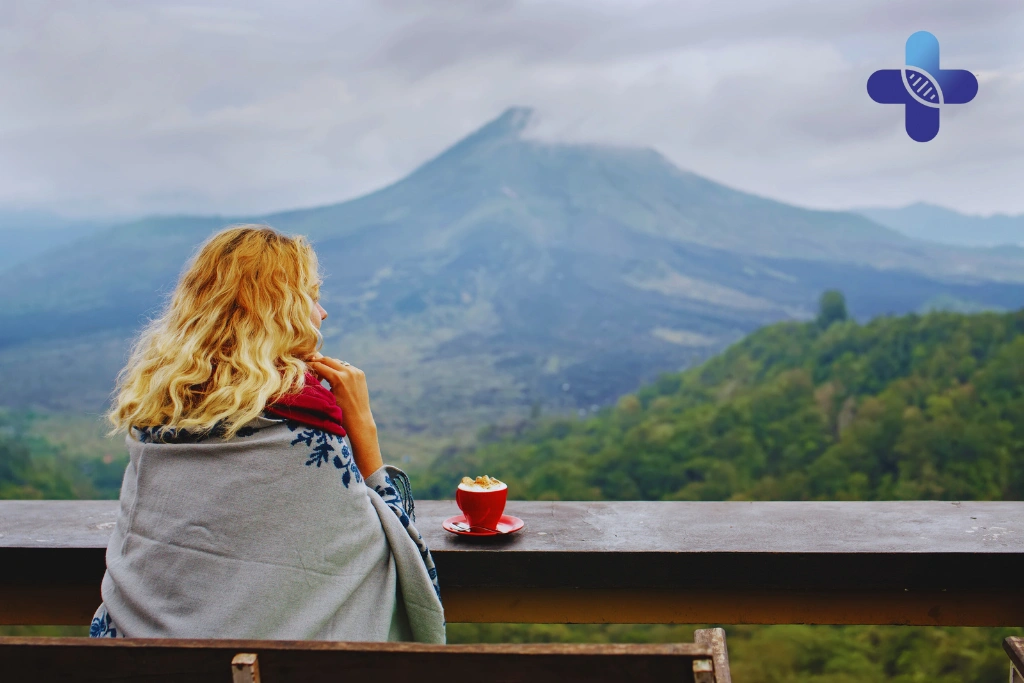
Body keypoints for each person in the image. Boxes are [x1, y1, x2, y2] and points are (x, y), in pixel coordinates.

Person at [89, 224, 445, 642]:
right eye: (312, 297)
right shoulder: (305, 423)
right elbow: (394, 548)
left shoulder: (158, 410)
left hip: (132, 663)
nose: (322, 312)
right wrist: (362, 425)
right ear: (281, 311)